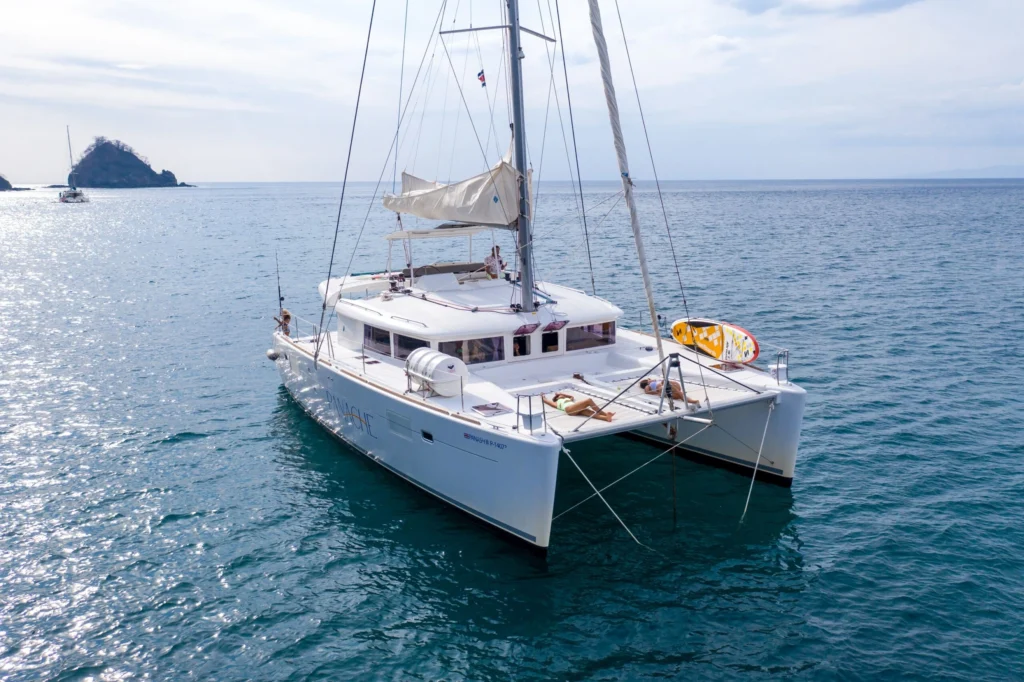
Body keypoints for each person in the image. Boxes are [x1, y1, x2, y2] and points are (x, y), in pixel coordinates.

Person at [542, 392, 615, 422]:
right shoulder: (557, 403)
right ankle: (604, 413)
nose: (563, 395)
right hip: (569, 410)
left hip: (575, 409)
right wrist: (543, 396)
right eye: (560, 396)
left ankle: (606, 418)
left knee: (589, 412)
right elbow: (547, 401)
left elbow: (571, 396)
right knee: (589, 400)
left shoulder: (568, 399)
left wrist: (561, 393)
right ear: (557, 398)